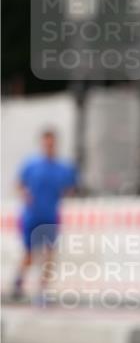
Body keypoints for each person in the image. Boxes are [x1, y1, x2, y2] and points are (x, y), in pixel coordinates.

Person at [12, 129, 78, 302]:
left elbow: (71, 188)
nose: (49, 146)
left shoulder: (63, 168)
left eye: (51, 143)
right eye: (46, 143)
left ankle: (42, 291)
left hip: (50, 216)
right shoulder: (31, 165)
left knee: (49, 255)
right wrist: (24, 194)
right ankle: (18, 283)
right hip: (31, 215)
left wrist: (67, 192)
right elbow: (19, 184)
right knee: (29, 254)